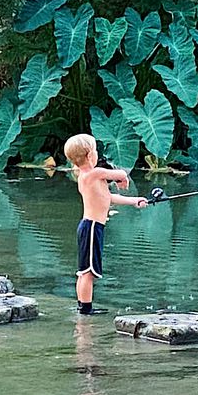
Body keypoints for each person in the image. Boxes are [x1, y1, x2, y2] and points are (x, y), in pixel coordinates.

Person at [63, 133, 147, 315]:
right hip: (91, 227)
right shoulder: (93, 174)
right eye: (95, 151)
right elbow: (121, 173)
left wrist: (134, 200)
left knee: (85, 271)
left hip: (92, 227)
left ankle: (83, 305)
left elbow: (108, 198)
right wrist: (122, 179)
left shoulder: (90, 177)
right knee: (88, 272)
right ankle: (86, 308)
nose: (97, 154)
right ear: (89, 155)